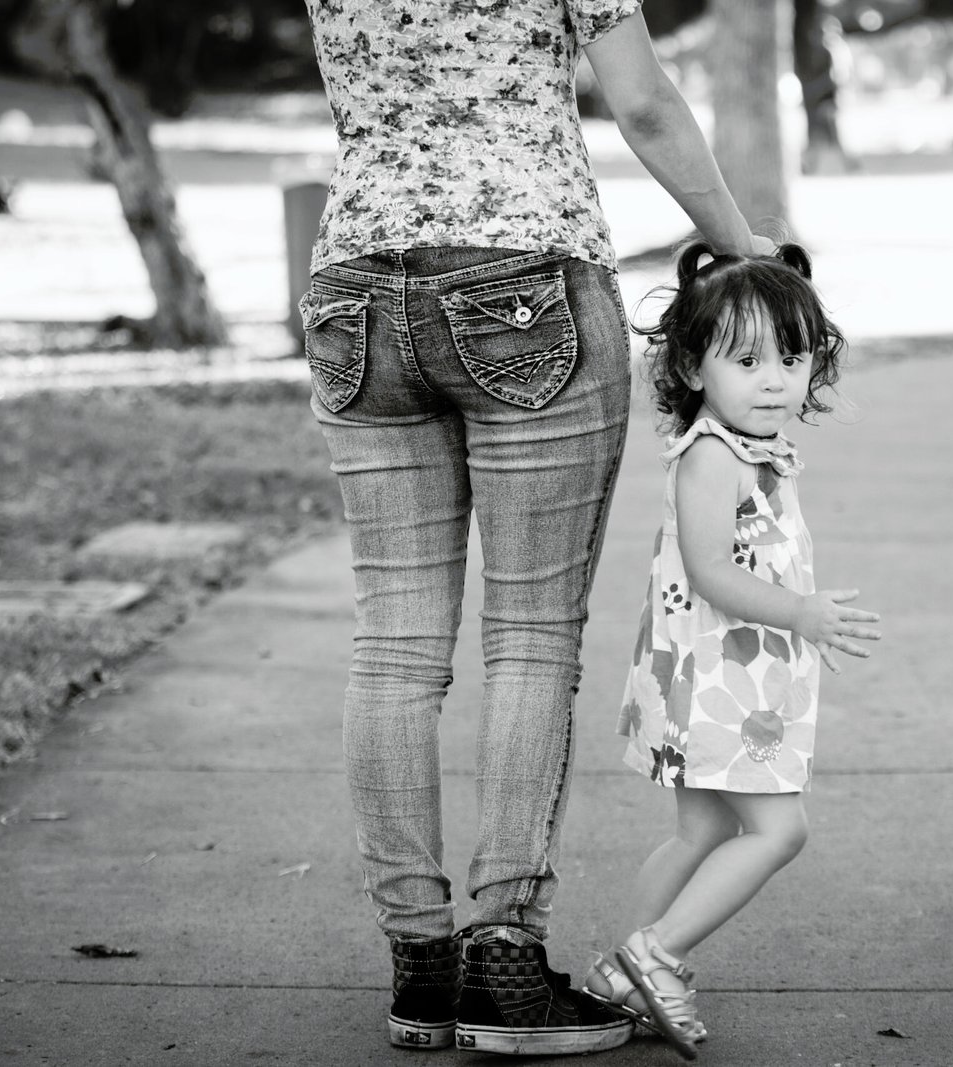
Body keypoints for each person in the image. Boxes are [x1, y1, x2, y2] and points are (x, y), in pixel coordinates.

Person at [299, 0, 774, 1057]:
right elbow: (642, 102)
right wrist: (742, 244)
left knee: (393, 641)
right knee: (528, 633)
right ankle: (503, 957)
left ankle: (421, 962)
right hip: (524, 275)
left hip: (353, 288)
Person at [581, 241, 880, 1058]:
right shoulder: (712, 457)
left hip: (721, 677)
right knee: (781, 832)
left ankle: (616, 974)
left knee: (700, 831)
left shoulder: (754, 446)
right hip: (719, 680)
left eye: (792, 355)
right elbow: (713, 571)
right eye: (747, 359)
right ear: (690, 366)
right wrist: (804, 612)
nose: (776, 377)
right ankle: (658, 952)